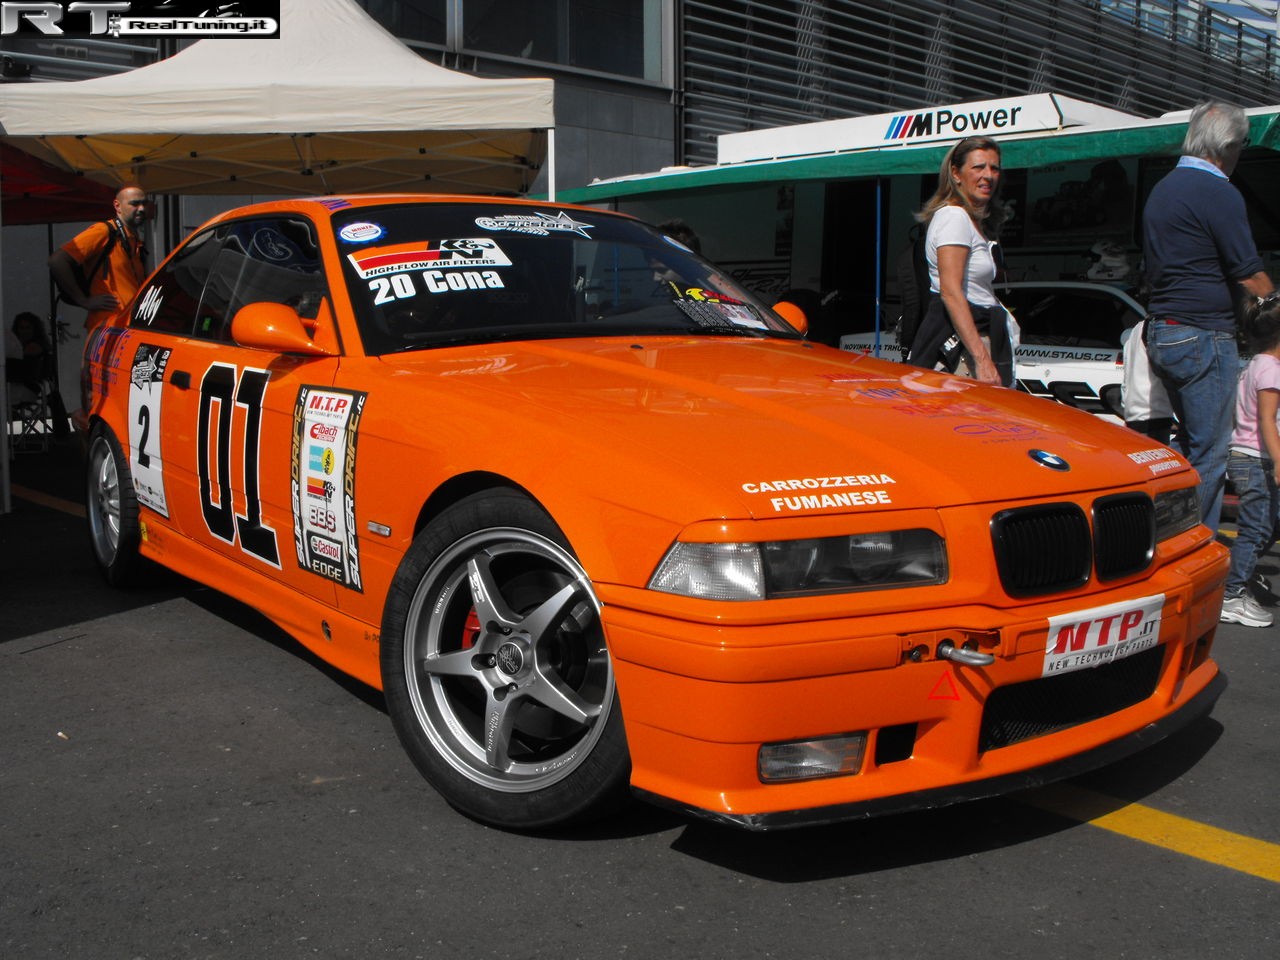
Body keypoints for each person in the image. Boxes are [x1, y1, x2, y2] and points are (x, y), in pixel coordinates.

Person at [1142, 102, 1275, 534]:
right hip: (1202, 333)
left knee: (1192, 447)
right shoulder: (1219, 192)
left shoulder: (1164, 188)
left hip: (1164, 331)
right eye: (1244, 144)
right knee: (1212, 454)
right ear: (1228, 145)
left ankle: (1162, 528)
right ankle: (1185, 546)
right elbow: (1249, 274)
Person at [906, 136, 1015, 387]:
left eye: (994, 168)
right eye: (978, 167)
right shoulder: (954, 217)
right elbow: (951, 292)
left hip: (977, 338)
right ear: (955, 173)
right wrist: (983, 360)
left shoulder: (970, 220)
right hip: (964, 349)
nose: (988, 175)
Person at [1220, 295, 1280, 627]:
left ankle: (1236, 577)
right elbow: (1267, 421)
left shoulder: (1254, 364)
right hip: (1256, 460)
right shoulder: (1271, 370)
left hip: (1246, 457)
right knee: (1256, 529)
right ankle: (1230, 595)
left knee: (1265, 526)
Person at [48, 183, 149, 331]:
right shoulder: (105, 231)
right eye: (134, 204)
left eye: (144, 203)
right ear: (117, 205)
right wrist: (83, 301)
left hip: (127, 327)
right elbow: (57, 260)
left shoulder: (134, 240)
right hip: (108, 327)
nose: (141, 209)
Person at [5, 311, 49, 392]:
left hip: (28, 385)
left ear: (34, 329)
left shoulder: (35, 346)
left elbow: (19, 357)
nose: (24, 331)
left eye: (28, 328)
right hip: (17, 383)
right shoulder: (17, 344)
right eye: (21, 328)